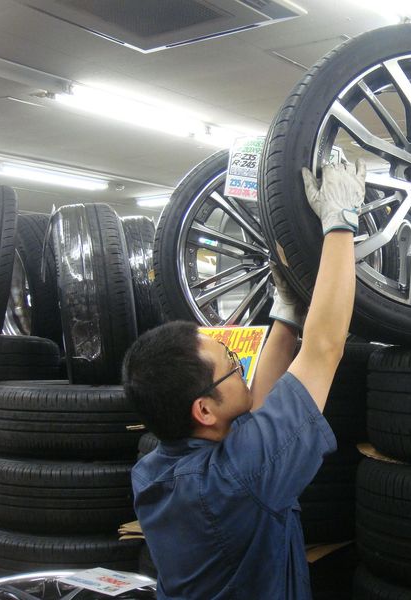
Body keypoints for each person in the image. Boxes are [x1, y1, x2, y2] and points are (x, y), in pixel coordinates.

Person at [122, 159, 366, 600]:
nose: (241, 369)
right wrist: (340, 222)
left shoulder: (155, 471)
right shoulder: (237, 481)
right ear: (204, 410)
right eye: (233, 365)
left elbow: (261, 409)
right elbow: (324, 348)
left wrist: (286, 313)